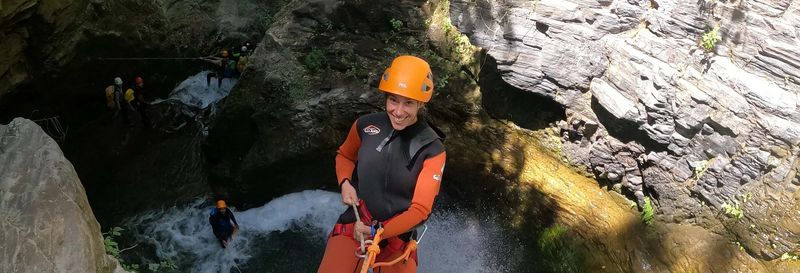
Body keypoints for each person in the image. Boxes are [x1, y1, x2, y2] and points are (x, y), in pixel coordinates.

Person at [317, 55, 446, 273]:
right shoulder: (365, 126)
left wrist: (377, 230)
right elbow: (345, 156)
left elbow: (420, 210)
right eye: (393, 100)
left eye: (408, 103)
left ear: (421, 104)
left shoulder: (432, 149)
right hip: (356, 222)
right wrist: (345, 183)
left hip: (397, 235)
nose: (398, 111)